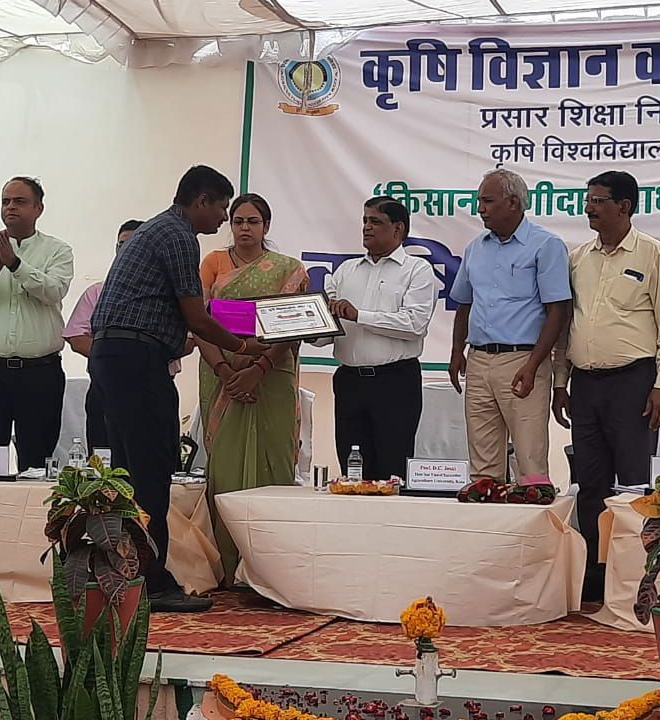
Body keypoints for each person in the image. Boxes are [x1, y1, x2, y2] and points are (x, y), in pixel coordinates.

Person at [89, 165, 269, 612]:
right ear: (201, 201)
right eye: (222, 208)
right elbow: (196, 316)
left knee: (129, 472)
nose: (224, 219)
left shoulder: (157, 230)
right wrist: (242, 345)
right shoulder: (177, 236)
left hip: (116, 356)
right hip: (137, 360)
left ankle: (125, 573)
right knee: (150, 471)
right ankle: (152, 582)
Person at [551, 170, 660, 603]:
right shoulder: (578, 258)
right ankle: (595, 574)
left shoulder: (653, 254)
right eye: (587, 200)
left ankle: (633, 577)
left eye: (598, 201)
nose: (588, 208)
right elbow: (566, 326)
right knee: (590, 484)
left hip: (633, 383)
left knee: (632, 486)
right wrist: (560, 383)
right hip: (585, 384)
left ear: (624, 206)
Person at [196, 193, 309, 582]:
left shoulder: (289, 269)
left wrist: (258, 369)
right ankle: (229, 569)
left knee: (274, 462)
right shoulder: (212, 263)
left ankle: (271, 571)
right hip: (221, 376)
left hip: (271, 377)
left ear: (266, 226)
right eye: (238, 221)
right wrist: (226, 371)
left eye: (253, 221)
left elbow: (293, 328)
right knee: (225, 469)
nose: (245, 228)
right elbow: (199, 322)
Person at [449, 168, 571, 481]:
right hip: (478, 360)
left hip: (523, 360)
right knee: (483, 464)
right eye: (479, 201)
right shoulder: (476, 247)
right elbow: (464, 304)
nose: (480, 209)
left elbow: (557, 312)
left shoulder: (546, 245)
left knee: (529, 460)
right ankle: (487, 508)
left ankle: (531, 509)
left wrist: (533, 365)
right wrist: (456, 351)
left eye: (488, 201)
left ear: (513, 203)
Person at [312, 196, 438, 479]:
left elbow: (414, 324)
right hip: (349, 382)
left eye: (375, 221)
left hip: (394, 382)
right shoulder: (346, 270)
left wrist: (359, 315)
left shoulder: (417, 270)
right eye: (365, 221)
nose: (366, 227)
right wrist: (308, 328)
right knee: (352, 468)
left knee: (393, 469)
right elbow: (328, 331)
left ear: (398, 229)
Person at [0, 177, 74, 472]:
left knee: (36, 464)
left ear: (38, 208)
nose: (10, 207)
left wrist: (16, 265)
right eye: (5, 201)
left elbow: (54, 291)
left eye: (19, 201)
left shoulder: (57, 250)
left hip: (39, 374)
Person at [63, 219, 141, 456]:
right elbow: (77, 337)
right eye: (121, 245)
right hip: (106, 386)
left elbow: (188, 339)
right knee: (103, 461)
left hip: (151, 388)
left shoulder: (169, 292)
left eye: (134, 244)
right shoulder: (97, 292)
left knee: (151, 461)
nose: (126, 251)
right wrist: (115, 357)